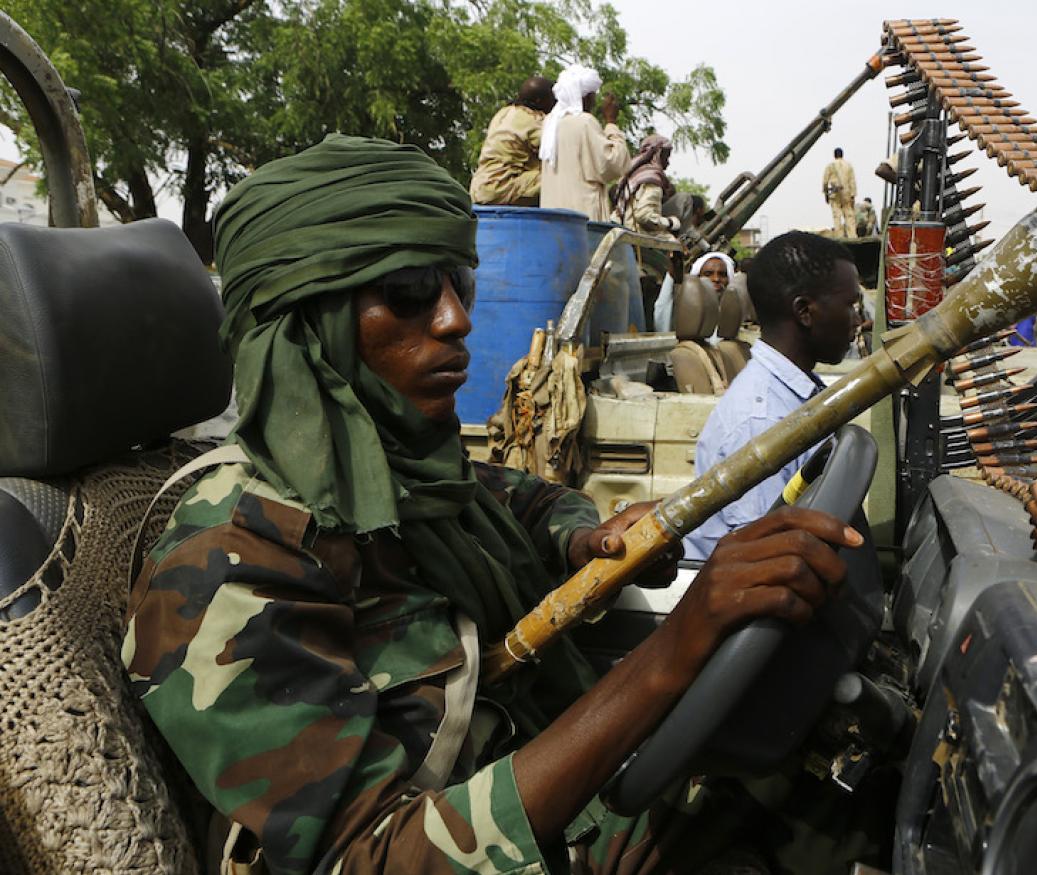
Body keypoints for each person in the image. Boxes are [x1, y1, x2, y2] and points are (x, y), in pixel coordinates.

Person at [124, 135, 864, 875]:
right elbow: (368, 858)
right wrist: (675, 652)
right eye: (411, 291)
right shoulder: (233, 561)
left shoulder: (402, 473)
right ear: (307, 325)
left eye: (461, 285)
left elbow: (522, 498)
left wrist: (587, 539)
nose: (455, 320)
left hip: (579, 801)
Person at [684, 232, 862, 559]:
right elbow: (765, 559)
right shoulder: (762, 421)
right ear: (805, 311)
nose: (858, 319)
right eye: (849, 305)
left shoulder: (798, 392)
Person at [540, 64, 629, 221]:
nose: (594, 102)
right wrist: (611, 122)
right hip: (581, 218)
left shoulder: (550, 123)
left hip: (552, 218)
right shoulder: (584, 122)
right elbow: (613, 164)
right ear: (585, 97)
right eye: (592, 96)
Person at [469, 76, 555, 206]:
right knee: (561, 178)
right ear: (539, 101)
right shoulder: (533, 120)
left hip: (480, 187)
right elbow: (557, 148)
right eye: (553, 99)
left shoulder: (503, 113)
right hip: (502, 187)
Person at [611, 133, 680, 239]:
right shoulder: (652, 179)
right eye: (666, 157)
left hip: (622, 233)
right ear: (658, 155)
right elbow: (644, 216)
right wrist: (670, 222)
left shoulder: (633, 176)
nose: (668, 163)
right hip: (640, 238)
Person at [822, 147, 857, 237]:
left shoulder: (830, 165)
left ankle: (839, 235)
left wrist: (826, 194)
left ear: (834, 155)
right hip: (847, 192)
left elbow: (825, 181)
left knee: (837, 215)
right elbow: (852, 181)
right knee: (849, 215)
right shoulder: (849, 165)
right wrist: (853, 194)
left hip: (834, 192)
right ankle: (852, 235)